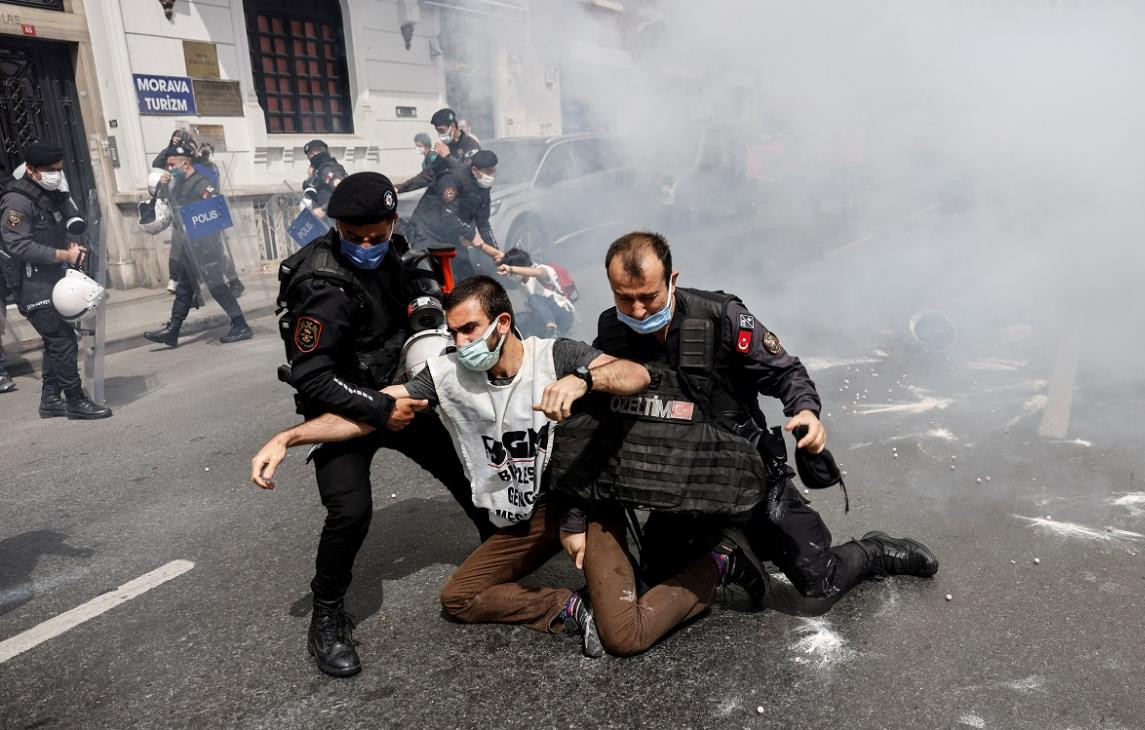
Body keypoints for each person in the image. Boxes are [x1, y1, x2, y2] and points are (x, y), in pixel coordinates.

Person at [251, 275, 764, 661]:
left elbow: (633, 374)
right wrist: (289, 436)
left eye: (470, 329)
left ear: (502, 323)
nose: (461, 343)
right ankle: (568, 609)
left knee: (625, 637)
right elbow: (374, 409)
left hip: (582, 505)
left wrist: (584, 379)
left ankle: (718, 563)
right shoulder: (446, 374)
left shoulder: (554, 355)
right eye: (453, 333)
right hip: (526, 516)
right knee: (459, 598)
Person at [571, 232, 938, 607]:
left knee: (820, 582)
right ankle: (731, 554)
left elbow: (785, 372)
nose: (636, 311)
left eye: (648, 297)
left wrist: (807, 413)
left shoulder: (720, 316)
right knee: (657, 579)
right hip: (678, 482)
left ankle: (874, 550)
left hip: (745, 471)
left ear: (672, 280)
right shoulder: (612, 330)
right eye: (624, 297)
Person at [252, 172, 496, 678]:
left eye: (376, 235)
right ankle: (326, 615)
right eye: (353, 236)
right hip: (343, 404)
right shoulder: (318, 286)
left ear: (391, 223)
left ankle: (497, 561)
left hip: (400, 388)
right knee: (350, 511)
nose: (366, 246)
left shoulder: (398, 247)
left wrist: (429, 312)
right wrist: (381, 409)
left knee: (469, 471)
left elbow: (423, 293)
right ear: (336, 225)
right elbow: (312, 377)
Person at [0, 142, 109, 418]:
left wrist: (76, 247)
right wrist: (64, 255)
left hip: (55, 279)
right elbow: (18, 246)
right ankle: (74, 400)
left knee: (55, 340)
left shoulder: (52, 193)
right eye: (51, 170)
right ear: (33, 170)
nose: (57, 175)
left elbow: (62, 227)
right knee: (62, 340)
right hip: (31, 283)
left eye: (60, 170)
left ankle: (50, 399)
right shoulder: (17, 200)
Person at [142, 144, 252, 347]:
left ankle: (241, 325)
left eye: (172, 164)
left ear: (186, 163)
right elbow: (171, 208)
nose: (169, 167)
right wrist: (164, 186)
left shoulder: (202, 183)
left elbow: (215, 210)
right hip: (189, 245)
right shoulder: (178, 183)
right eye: (168, 165)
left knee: (217, 287)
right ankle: (172, 330)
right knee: (184, 286)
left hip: (206, 246)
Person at [410, 149, 498, 282]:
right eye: (488, 172)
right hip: (426, 231)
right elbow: (447, 215)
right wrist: (472, 235)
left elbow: (483, 224)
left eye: (493, 171)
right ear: (474, 170)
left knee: (465, 276)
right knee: (430, 280)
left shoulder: (483, 189)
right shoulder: (452, 179)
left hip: (450, 234)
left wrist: (495, 253)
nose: (491, 176)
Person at [495, 247, 577, 338]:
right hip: (543, 319)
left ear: (520, 267)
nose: (510, 276)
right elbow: (496, 253)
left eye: (512, 272)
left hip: (563, 314)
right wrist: (482, 246)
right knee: (516, 320)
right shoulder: (521, 282)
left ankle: (553, 329)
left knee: (533, 299)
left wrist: (511, 269)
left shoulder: (541, 270)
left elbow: (538, 272)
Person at [396, 108, 480, 194]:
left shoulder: (470, 144)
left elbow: (469, 174)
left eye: (442, 130)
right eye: (438, 131)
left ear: (453, 126)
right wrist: (400, 187)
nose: (440, 134)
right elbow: (429, 173)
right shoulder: (447, 147)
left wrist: (448, 157)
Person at [301, 139, 349, 219]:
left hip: (337, 217)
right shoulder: (320, 170)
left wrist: (323, 209)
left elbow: (343, 190)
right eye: (309, 155)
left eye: (311, 154)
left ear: (320, 151)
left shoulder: (328, 168)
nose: (310, 158)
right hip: (329, 219)